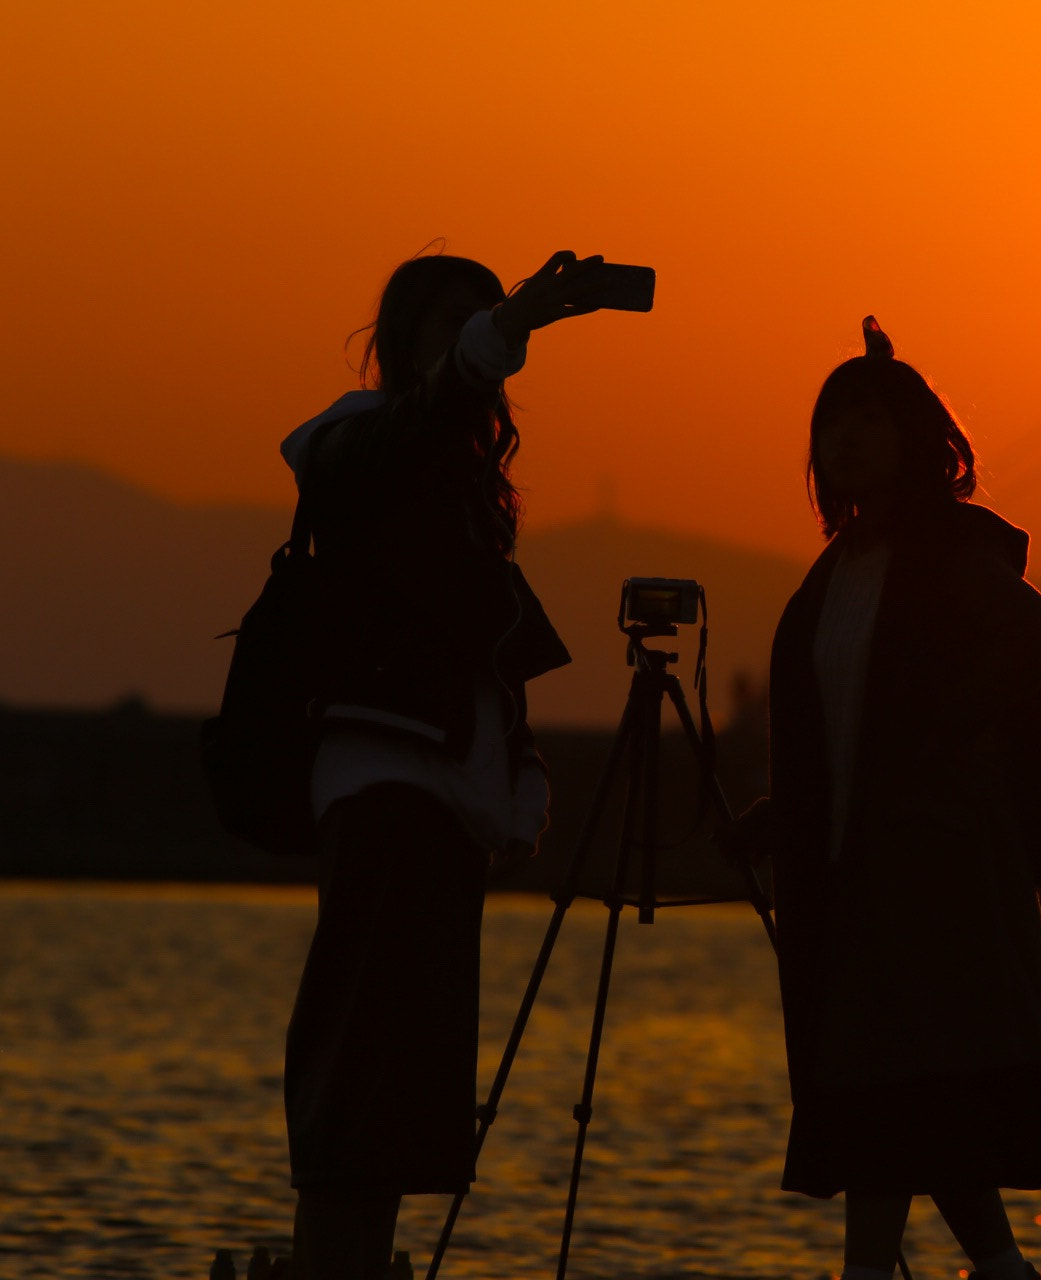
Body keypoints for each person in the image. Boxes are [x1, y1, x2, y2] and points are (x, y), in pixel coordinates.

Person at [275, 250, 609, 1279]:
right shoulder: (359, 441)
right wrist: (508, 325)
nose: (479, 339)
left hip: (437, 797)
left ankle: (355, 1269)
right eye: (452, 321)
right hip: (387, 786)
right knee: (363, 1074)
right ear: (401, 338)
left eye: (485, 320)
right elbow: (418, 413)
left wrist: (514, 781)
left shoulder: (459, 481)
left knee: (400, 1094)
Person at [736, 316, 1041, 1280]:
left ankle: (872, 1273)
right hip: (849, 884)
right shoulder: (834, 574)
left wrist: (946, 734)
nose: (846, 440)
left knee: (892, 1101)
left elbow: (1037, 637)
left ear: (918, 441)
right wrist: (780, 814)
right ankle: (1000, 1270)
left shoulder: (948, 551)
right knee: (915, 1106)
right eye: (832, 423)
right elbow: (840, 730)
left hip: (934, 882)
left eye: (870, 421)